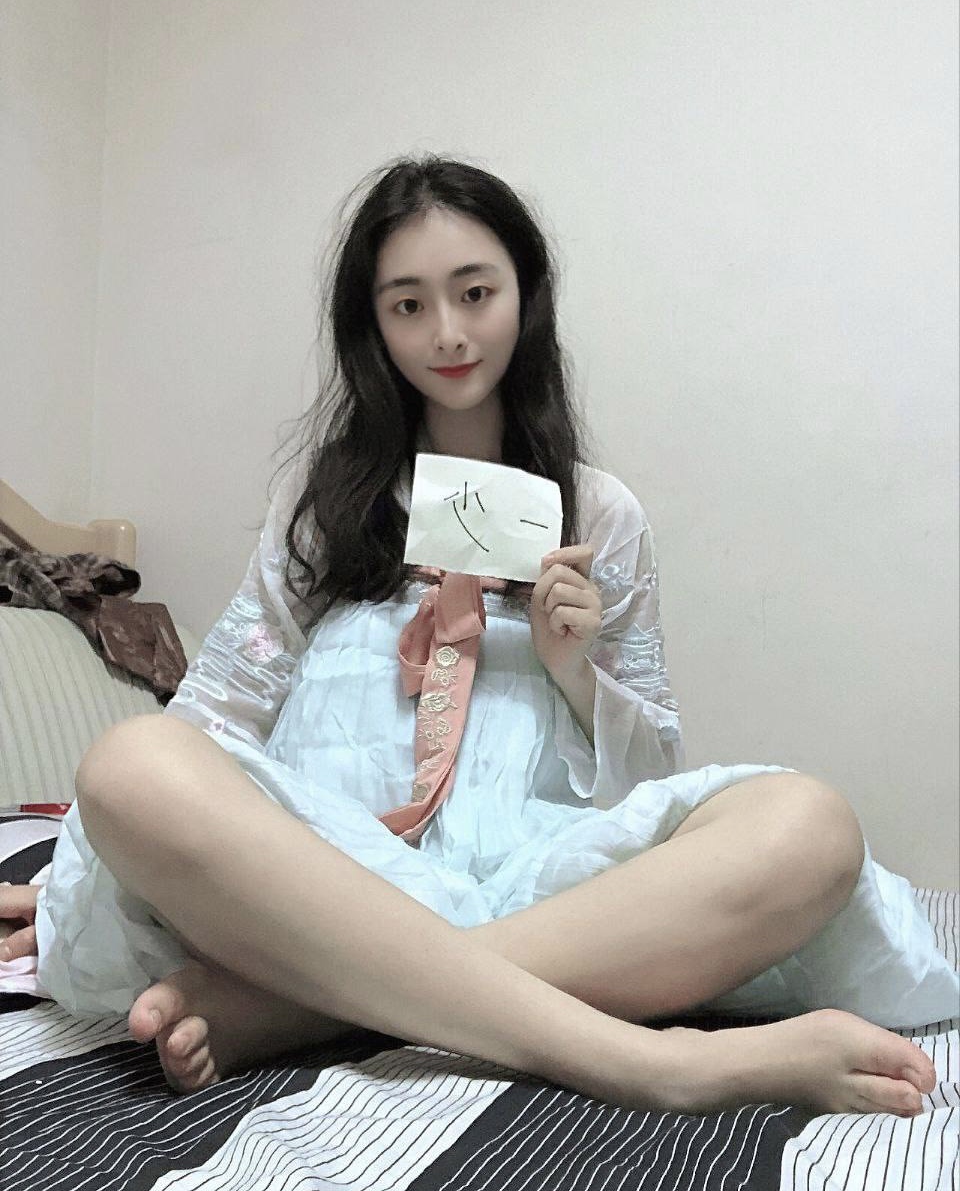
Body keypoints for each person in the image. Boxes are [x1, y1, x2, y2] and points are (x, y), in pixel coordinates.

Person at [1, 156, 956, 1117]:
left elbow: (646, 776)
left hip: (541, 885)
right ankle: (653, 1063)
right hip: (326, 870)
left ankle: (310, 1006)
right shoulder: (323, 497)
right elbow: (221, 708)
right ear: (372, 324)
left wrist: (573, 670)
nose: (447, 334)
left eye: (475, 293)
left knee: (808, 826)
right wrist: (97, 867)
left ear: (524, 296)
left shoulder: (601, 511)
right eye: (408, 305)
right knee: (129, 765)